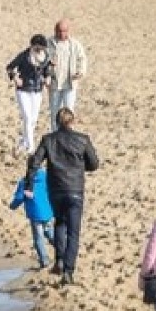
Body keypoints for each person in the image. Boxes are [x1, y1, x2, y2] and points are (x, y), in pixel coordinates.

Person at [25, 107, 99, 285]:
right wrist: (80, 167)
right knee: (73, 232)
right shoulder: (82, 140)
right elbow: (94, 164)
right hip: (75, 190)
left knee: (60, 222)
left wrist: (29, 184)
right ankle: (68, 270)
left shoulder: (49, 140)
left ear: (57, 122)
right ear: (72, 122)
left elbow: (34, 162)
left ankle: (59, 259)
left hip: (57, 189)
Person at [6, 34, 52, 154]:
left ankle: (23, 141)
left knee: (33, 120)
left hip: (37, 90)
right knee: (27, 117)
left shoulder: (45, 56)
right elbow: (10, 67)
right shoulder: (24, 56)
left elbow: (47, 68)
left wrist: (47, 77)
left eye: (42, 48)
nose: (40, 50)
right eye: (38, 48)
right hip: (23, 90)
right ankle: (31, 147)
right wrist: (15, 78)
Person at [47, 18, 88, 132]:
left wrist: (80, 71)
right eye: (59, 31)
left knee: (69, 110)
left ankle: (70, 135)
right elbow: (42, 59)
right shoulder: (49, 43)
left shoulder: (75, 44)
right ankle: (55, 135)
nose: (62, 34)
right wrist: (48, 67)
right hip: (55, 83)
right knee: (55, 111)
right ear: (55, 31)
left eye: (64, 31)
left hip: (70, 83)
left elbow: (82, 59)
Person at [9, 167, 54, 268]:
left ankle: (44, 260)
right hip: (47, 211)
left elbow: (19, 198)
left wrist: (12, 206)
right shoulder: (46, 177)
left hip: (35, 215)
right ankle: (62, 250)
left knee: (38, 238)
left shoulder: (24, 182)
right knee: (50, 233)